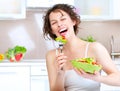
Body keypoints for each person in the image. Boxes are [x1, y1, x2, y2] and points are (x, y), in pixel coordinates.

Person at [43, 4, 120, 91]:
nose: (59, 24)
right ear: (52, 30)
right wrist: (60, 73)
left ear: (73, 21)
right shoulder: (52, 55)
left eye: (63, 19)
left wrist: (97, 78)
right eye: (54, 23)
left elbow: (118, 79)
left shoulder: (94, 48)